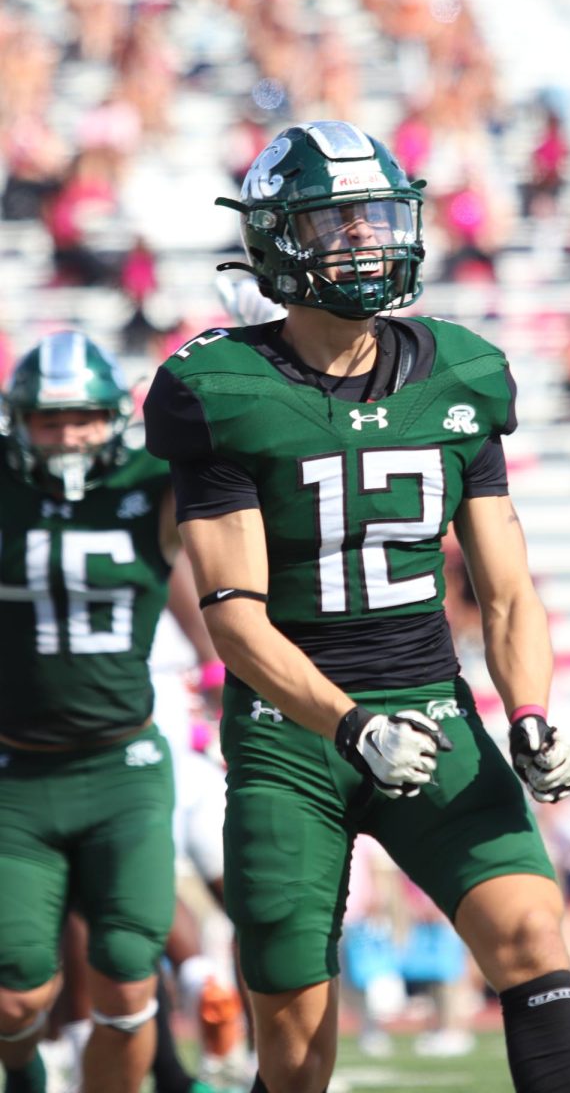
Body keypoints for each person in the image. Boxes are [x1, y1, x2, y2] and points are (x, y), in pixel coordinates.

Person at [143, 118, 570, 1093]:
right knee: (298, 1055)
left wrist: (526, 712)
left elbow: (506, 586)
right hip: (289, 740)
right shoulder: (220, 387)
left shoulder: (459, 373)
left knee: (529, 932)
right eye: (335, 222)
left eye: (377, 216)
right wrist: (349, 726)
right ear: (276, 242)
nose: (365, 239)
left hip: (431, 709)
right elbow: (232, 615)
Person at [0, 329, 204, 1093]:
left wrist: (270, 345)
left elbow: (245, 455)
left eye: (83, 418)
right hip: (17, 773)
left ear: (115, 417)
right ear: (18, 422)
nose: (67, 437)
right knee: (18, 988)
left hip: (124, 766)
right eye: (49, 421)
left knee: (126, 980)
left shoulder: (154, 482)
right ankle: (21, 1071)